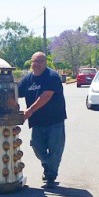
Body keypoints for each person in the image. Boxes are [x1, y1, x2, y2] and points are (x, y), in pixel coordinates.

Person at [18, 51, 67, 189]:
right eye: (34, 61)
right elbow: (15, 91)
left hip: (55, 121)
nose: (37, 64)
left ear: (45, 63)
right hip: (37, 122)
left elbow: (46, 96)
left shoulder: (52, 77)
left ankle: (51, 176)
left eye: (40, 61)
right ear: (31, 63)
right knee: (37, 148)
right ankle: (48, 166)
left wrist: (29, 111)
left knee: (54, 150)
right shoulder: (28, 79)